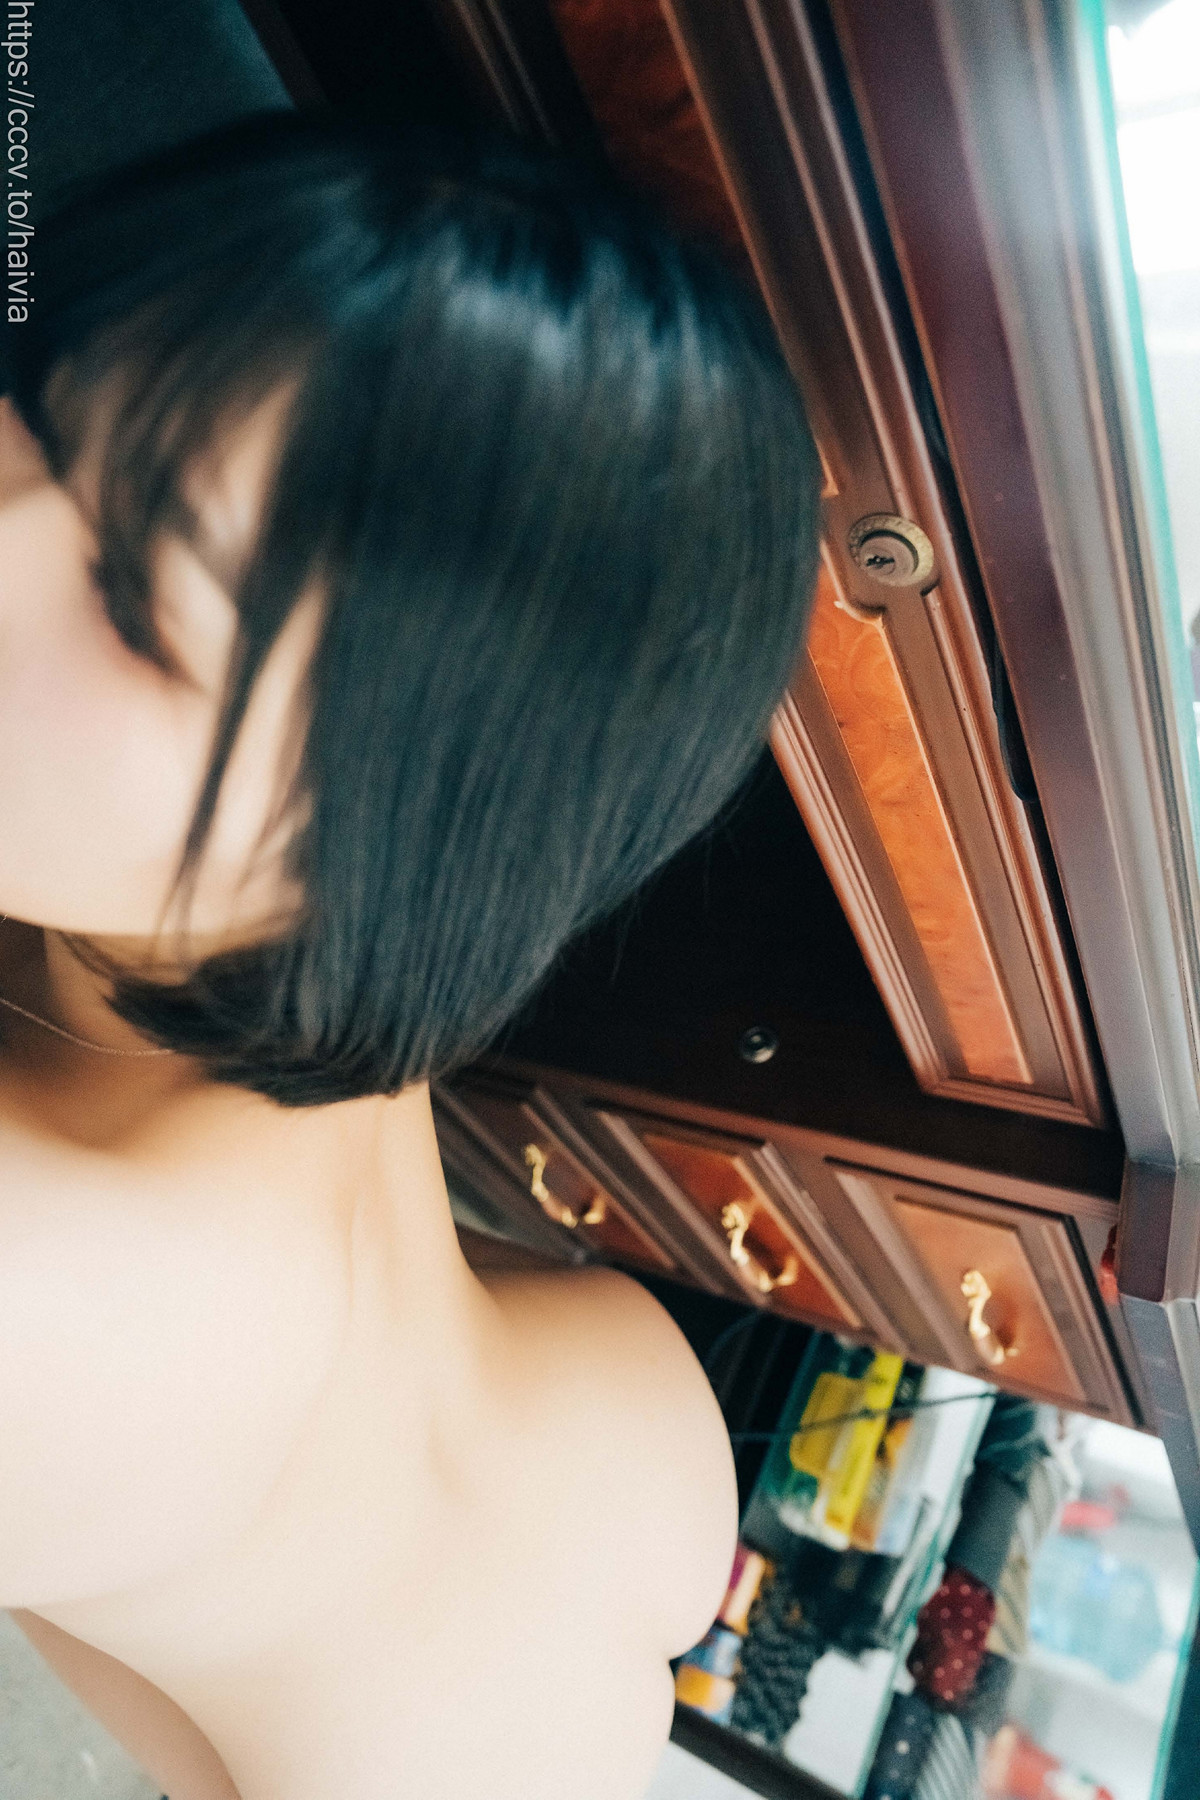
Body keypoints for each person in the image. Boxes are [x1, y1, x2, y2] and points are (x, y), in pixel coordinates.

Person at [0, 108, 819, 1800]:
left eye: (137, 605)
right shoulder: (251, 955)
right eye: (32, 407)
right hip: (611, 1446)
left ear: (378, 856)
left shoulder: (54, 1315)